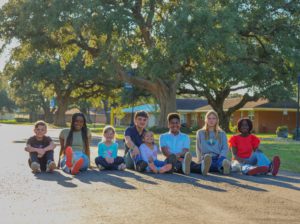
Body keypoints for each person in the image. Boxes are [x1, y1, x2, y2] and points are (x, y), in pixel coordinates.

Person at [196, 110, 231, 175]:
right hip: (206, 157)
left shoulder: (222, 133)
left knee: (221, 162)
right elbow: (198, 148)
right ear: (206, 120)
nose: (211, 120)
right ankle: (221, 168)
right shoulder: (200, 132)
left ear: (217, 120)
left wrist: (221, 156)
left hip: (218, 157)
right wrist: (199, 159)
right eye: (209, 118)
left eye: (213, 118)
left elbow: (225, 147)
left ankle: (224, 166)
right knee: (207, 163)